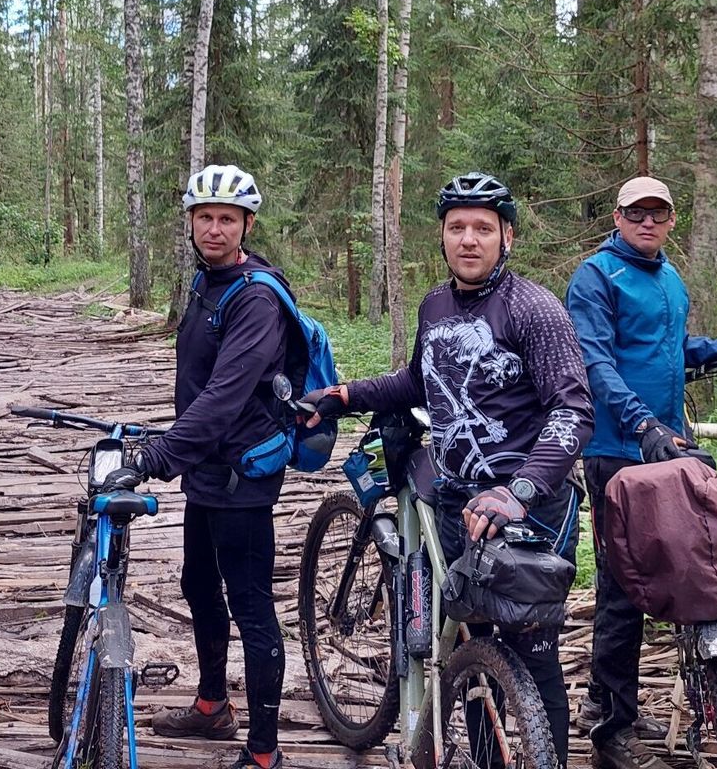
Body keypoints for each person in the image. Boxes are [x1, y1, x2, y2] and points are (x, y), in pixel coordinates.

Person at [303, 172, 593, 767]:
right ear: (441, 236)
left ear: (507, 237)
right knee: (472, 642)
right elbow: (419, 380)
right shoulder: (434, 305)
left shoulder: (534, 310)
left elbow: (572, 409)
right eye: (456, 227)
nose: (468, 239)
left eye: (483, 228)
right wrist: (344, 395)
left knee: (532, 654)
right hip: (459, 501)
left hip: (531, 507)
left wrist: (520, 490)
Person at [565, 175, 717, 769]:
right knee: (621, 585)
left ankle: (631, 694)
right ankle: (611, 726)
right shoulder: (596, 277)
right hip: (617, 448)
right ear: (617, 217)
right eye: (636, 212)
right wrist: (642, 424)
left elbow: (672, 350)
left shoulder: (668, 278)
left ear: (670, 221)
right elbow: (595, 363)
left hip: (669, 443)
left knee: (691, 560)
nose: (648, 221)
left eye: (658, 213)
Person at [108, 164, 293, 769]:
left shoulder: (257, 298)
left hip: (243, 477)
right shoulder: (206, 282)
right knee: (198, 584)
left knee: (251, 606)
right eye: (205, 217)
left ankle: (264, 752)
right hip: (207, 470)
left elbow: (224, 396)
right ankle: (213, 705)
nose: (215, 228)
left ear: (247, 226)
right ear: (190, 222)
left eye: (227, 219)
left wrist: (157, 457)